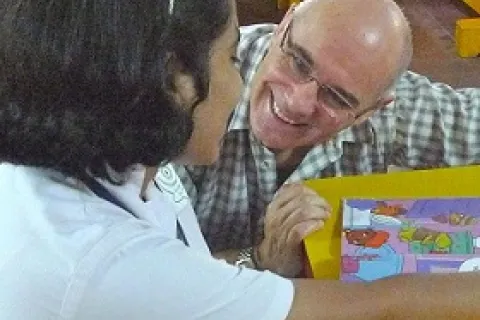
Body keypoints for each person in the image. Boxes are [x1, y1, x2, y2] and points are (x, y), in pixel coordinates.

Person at [174, 0, 480, 278]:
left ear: (370, 110)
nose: (298, 101)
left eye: (335, 97)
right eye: (298, 62)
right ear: (283, 26)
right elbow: (152, 285)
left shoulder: (392, 109)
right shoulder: (188, 95)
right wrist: (260, 258)